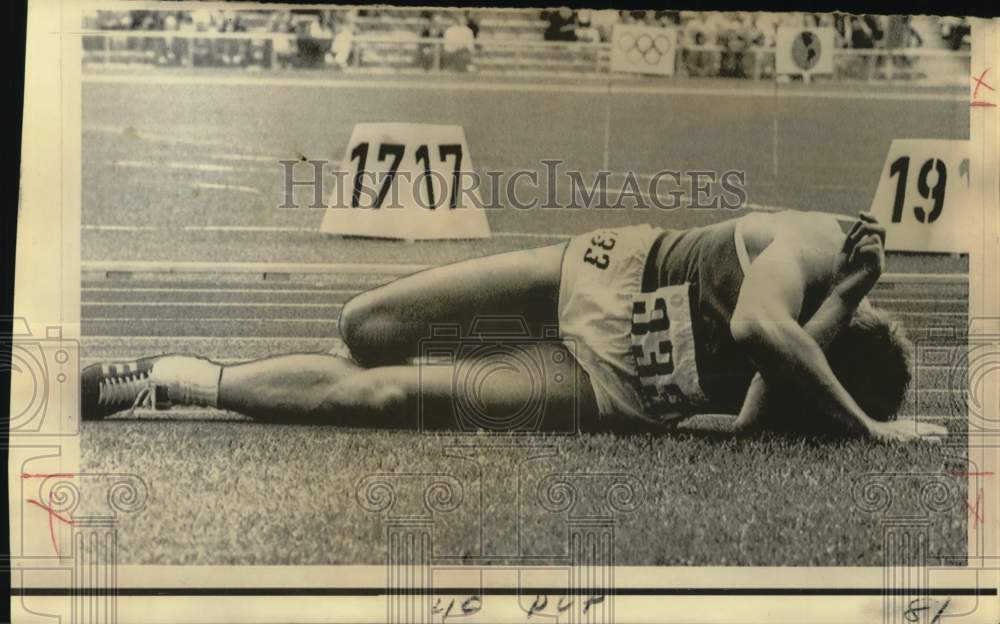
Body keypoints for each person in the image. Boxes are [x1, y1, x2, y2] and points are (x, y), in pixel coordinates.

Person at [81, 211, 946, 443]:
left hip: (617, 389)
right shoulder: (823, 245)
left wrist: (826, 378)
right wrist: (870, 431)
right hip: (608, 272)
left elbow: (759, 417)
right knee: (369, 326)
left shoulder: (806, 351)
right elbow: (761, 328)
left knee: (386, 395)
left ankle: (177, 377)